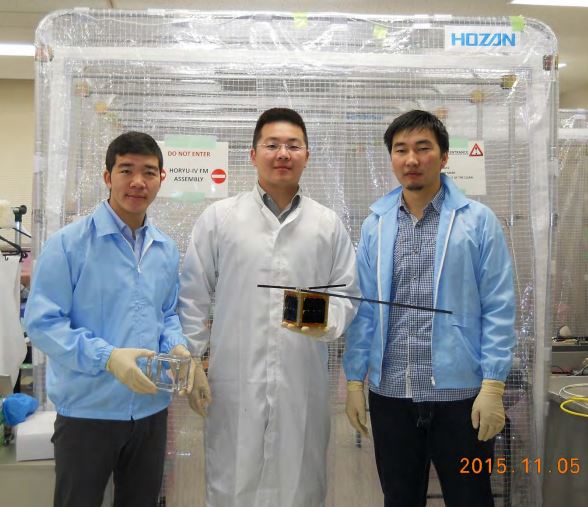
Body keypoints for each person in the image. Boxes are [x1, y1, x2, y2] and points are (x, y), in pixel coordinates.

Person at [178, 108, 359, 507]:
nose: (282, 154)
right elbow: (193, 294)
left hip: (302, 378)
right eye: (272, 145)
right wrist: (191, 360)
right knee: (233, 481)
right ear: (252, 154)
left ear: (307, 155)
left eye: (293, 146)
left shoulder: (327, 224)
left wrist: (322, 320)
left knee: (299, 483)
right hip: (234, 377)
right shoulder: (220, 218)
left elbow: (347, 293)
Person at [344, 110, 515, 507]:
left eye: (423, 148)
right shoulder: (376, 225)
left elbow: (499, 306)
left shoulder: (478, 222)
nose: (412, 159)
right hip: (392, 393)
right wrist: (354, 380)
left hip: (461, 396)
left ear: (444, 156)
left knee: (471, 498)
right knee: (399, 498)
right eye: (401, 150)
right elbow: (365, 309)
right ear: (391, 158)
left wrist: (493, 383)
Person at [24, 131, 194, 507]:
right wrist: (108, 357)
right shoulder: (69, 245)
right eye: (126, 170)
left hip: (150, 410)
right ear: (107, 176)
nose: (138, 182)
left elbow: (166, 313)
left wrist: (177, 346)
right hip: (88, 412)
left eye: (149, 172)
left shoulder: (165, 249)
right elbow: (43, 323)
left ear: (161, 178)